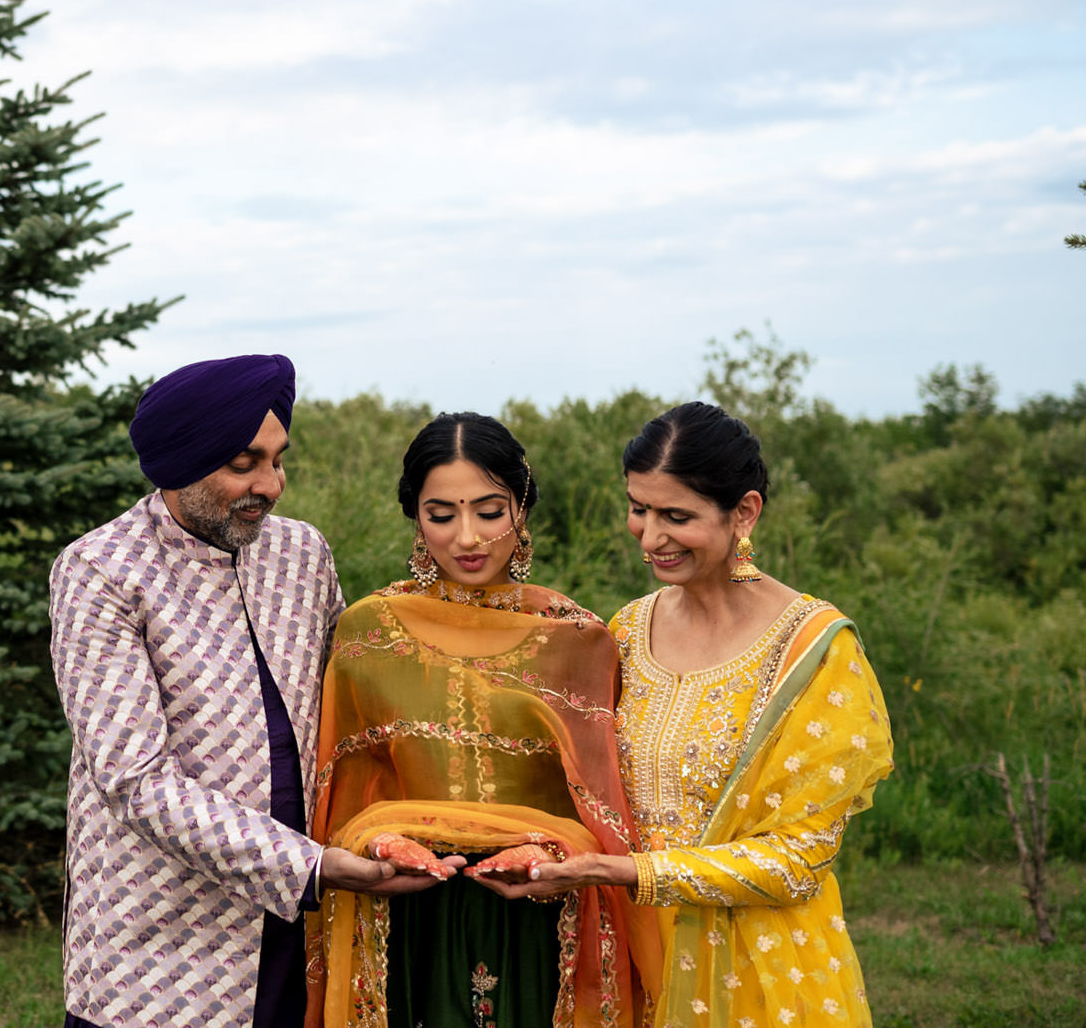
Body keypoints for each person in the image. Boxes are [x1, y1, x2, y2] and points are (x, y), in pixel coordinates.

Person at [477, 401, 894, 1028]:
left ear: (744, 512)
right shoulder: (628, 628)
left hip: (760, 969)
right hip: (633, 953)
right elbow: (594, 792)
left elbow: (798, 860)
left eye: (677, 516)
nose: (650, 537)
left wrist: (623, 871)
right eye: (638, 509)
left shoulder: (811, 649)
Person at [52, 354, 436, 1028]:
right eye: (244, 465)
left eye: (278, 459)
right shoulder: (101, 571)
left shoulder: (301, 554)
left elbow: (355, 704)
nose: (272, 484)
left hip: (299, 927)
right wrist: (312, 867)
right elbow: (134, 778)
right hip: (158, 945)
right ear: (180, 463)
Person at [305, 412, 653, 1028]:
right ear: (416, 517)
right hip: (406, 914)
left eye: (490, 512)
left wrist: (552, 849)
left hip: (537, 912)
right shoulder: (368, 633)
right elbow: (340, 791)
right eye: (442, 515)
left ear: (522, 509)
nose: (467, 538)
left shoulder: (576, 641)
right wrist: (378, 840)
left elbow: (606, 811)